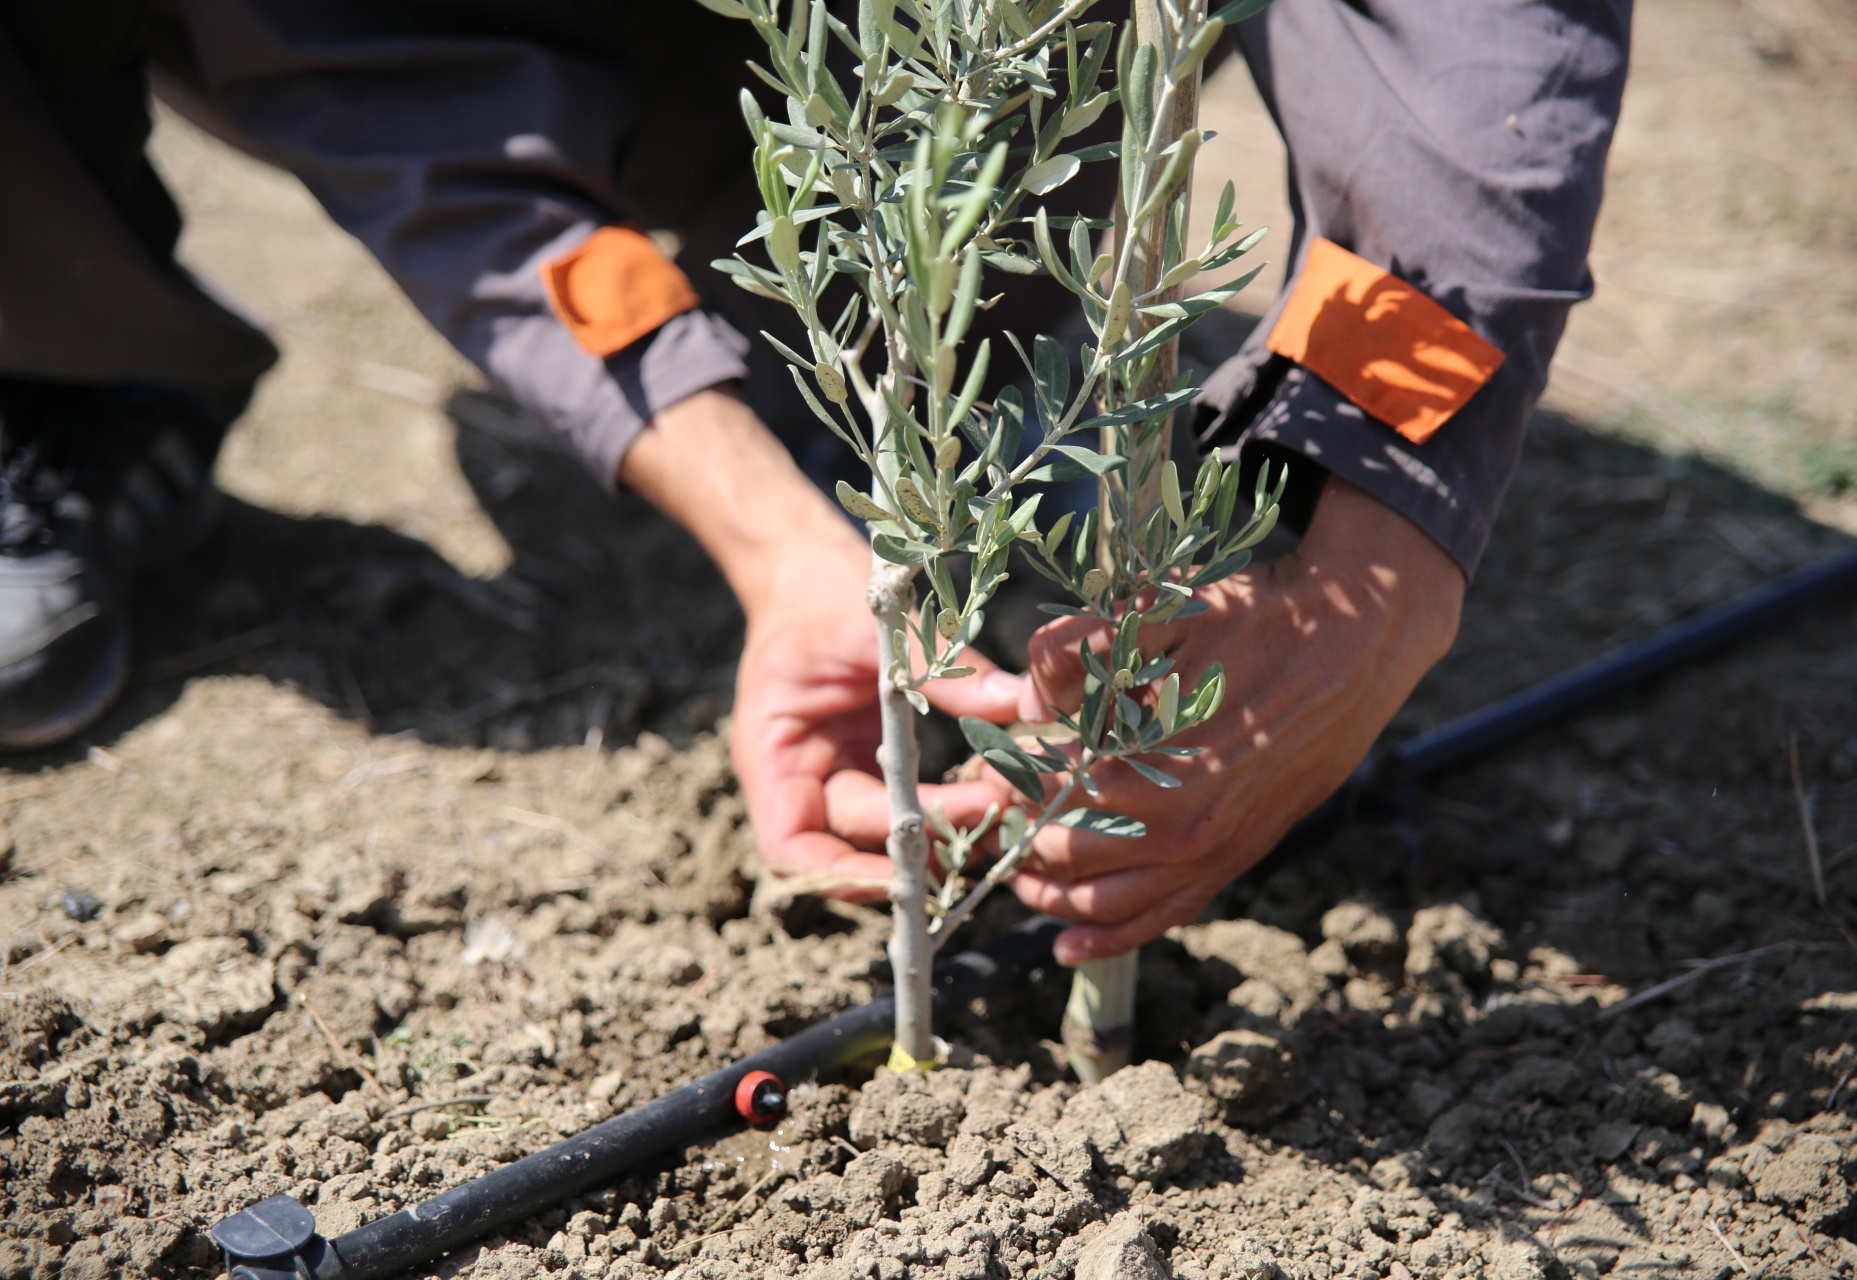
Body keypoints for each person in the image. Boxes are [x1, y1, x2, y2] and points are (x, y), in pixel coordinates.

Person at [0, 0, 1631, 963]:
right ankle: (62, 379)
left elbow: (1462, 54)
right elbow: (397, 93)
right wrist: (775, 538)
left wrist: (1386, 525)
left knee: (954, 267)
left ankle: (947, 328)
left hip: (945, 51)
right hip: (620, 45)